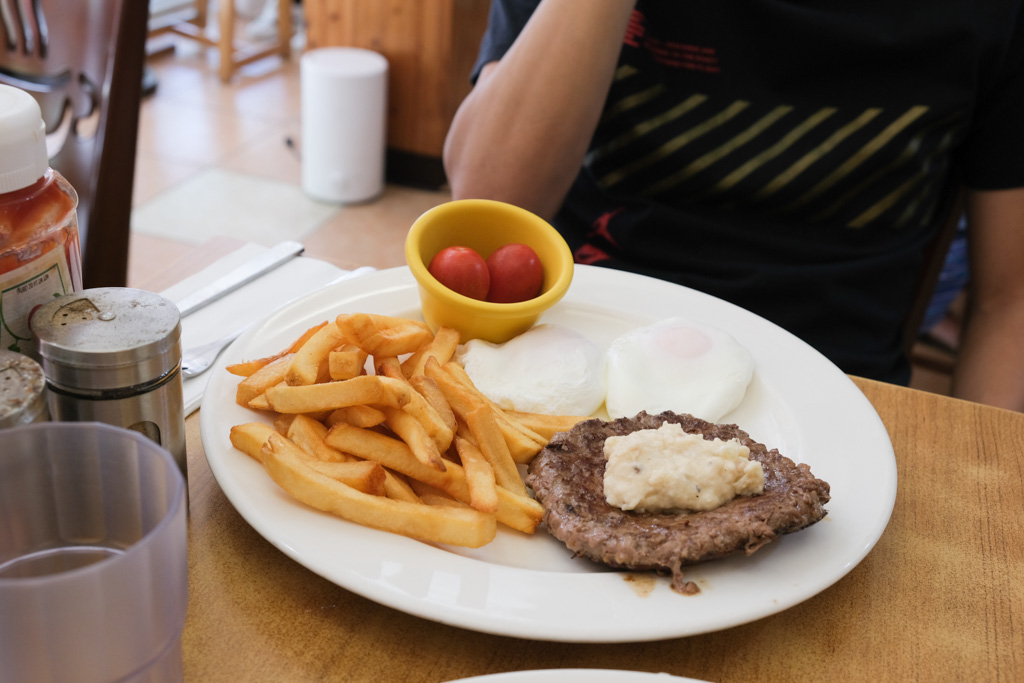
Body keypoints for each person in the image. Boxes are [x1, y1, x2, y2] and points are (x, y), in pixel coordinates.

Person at [443, 0, 1024, 412]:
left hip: (835, 388)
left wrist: (987, 480)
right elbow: (485, 210)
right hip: (573, 355)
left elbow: (1009, 298)